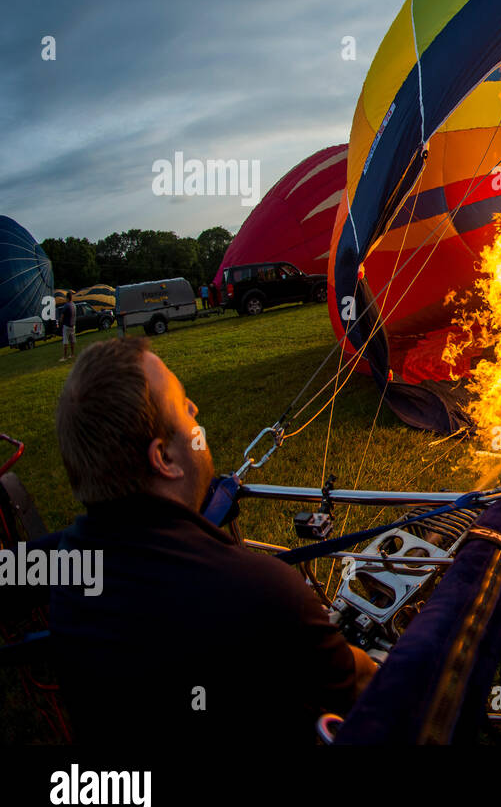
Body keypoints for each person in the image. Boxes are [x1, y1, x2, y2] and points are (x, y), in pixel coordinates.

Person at [50, 337, 375, 744]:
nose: (195, 410)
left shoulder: (69, 571)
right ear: (164, 459)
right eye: (183, 404)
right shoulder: (260, 590)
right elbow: (361, 687)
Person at [58, 296, 76, 362]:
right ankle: (72, 354)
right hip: (73, 325)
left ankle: (65, 357)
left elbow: (62, 315)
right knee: (72, 341)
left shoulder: (66, 305)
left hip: (67, 325)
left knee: (65, 341)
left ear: (68, 298)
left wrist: (60, 323)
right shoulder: (74, 305)